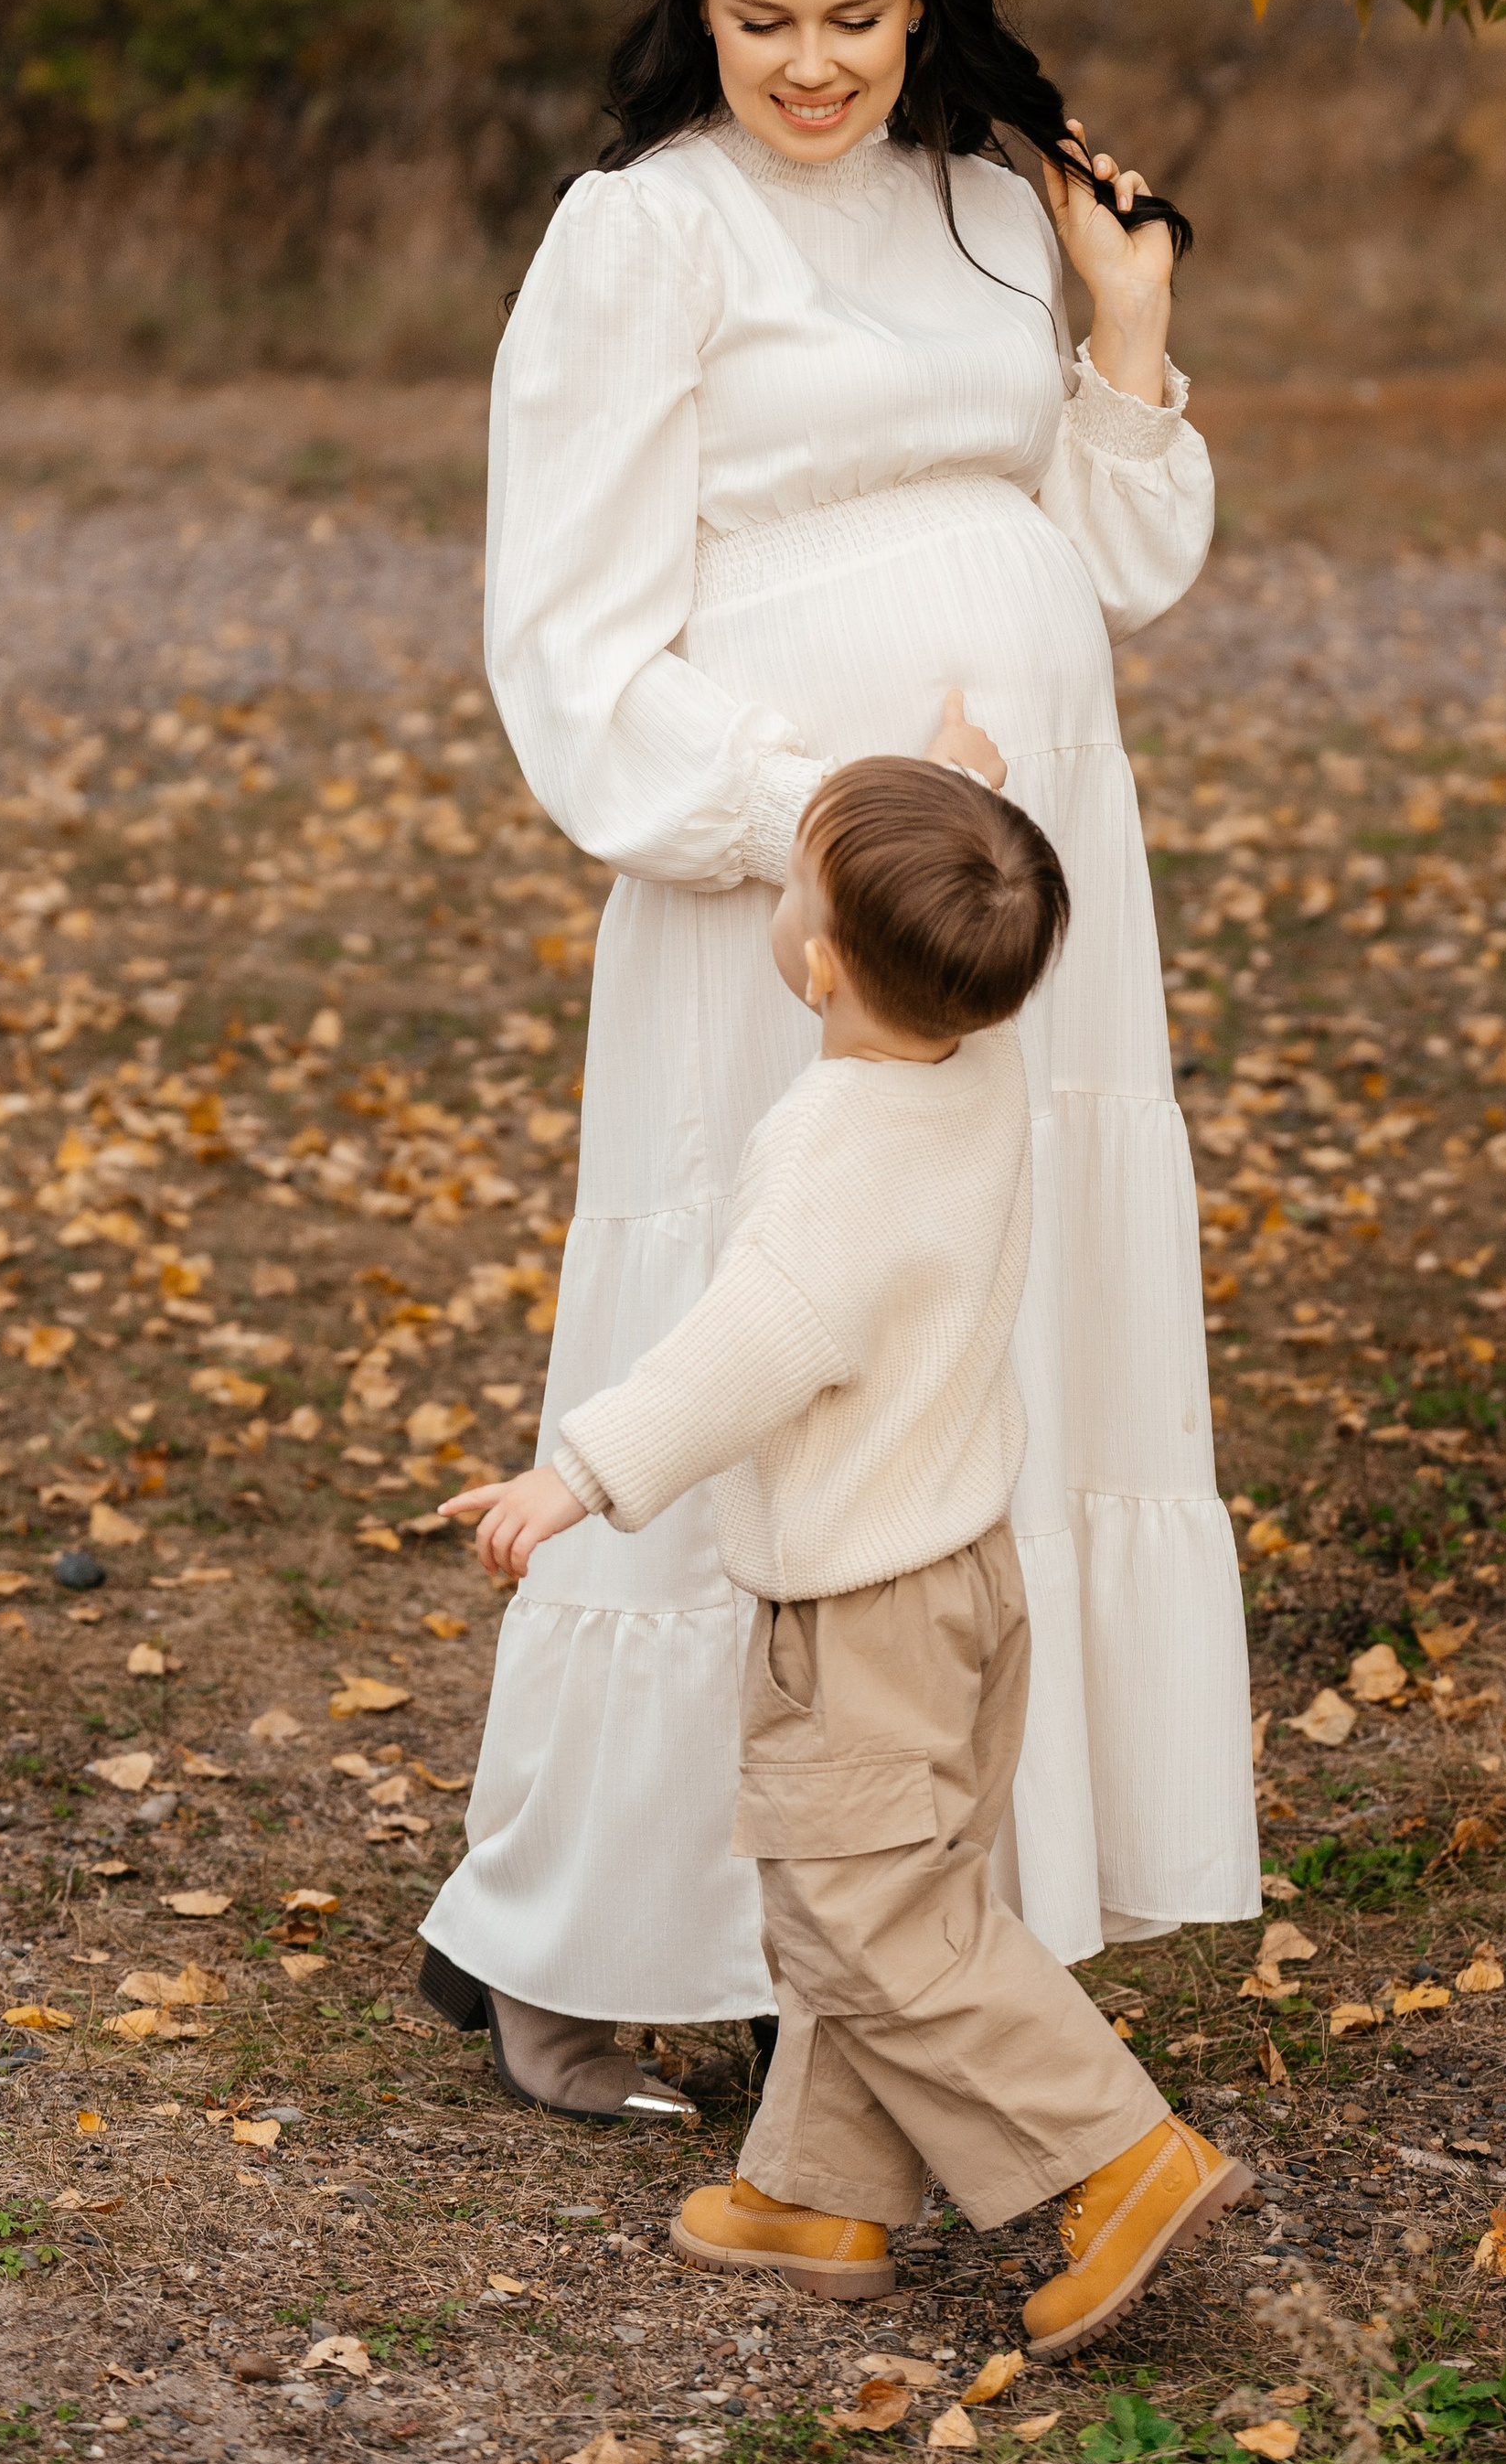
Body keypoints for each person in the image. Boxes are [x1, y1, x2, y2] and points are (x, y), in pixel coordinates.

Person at [415, 0, 1256, 2121]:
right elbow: (568, 643)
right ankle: (575, 1938)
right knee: (771, 1349)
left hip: (1028, 881)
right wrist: (833, 825)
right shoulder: (639, 238)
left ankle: (939, 1897)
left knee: (988, 1345)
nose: (810, 63)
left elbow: (1109, 560)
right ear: (695, 11)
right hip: (791, 904)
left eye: (854, 17)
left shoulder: (990, 205)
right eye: (761, 18)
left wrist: (1123, 328)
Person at [442, 758, 1255, 2352]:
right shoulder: (982, 1071)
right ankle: (818, 2188)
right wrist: (971, 779)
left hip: (862, 1608)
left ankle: (1119, 2157)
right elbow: (945, 892)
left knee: (869, 1917)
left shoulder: (827, 1138)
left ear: (816, 963)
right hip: (966, 1583)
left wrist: (577, 1475)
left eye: (794, 889)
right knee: (874, 1897)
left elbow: (753, 1343)